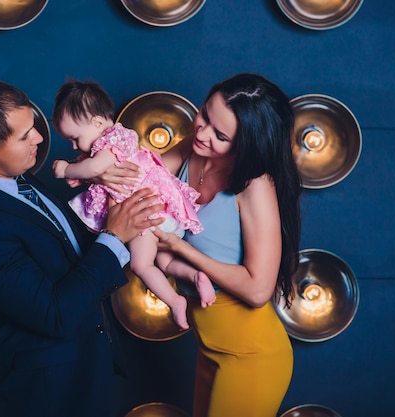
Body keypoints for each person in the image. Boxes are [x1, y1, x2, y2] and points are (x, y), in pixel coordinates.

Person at [0, 79, 165, 417]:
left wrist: (105, 187)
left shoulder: (18, 177)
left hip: (91, 370)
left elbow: (67, 253)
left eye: (34, 126)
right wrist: (115, 236)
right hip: (50, 395)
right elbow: (53, 313)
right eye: (24, 136)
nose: (39, 138)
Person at [153, 73, 302, 417]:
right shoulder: (189, 152)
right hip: (210, 348)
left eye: (221, 135)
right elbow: (142, 181)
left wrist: (181, 249)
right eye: (205, 114)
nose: (202, 133)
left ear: (246, 144)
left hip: (252, 355)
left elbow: (257, 290)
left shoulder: (255, 186)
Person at [50, 79, 216, 330]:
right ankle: (196, 276)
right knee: (165, 263)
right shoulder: (114, 140)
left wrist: (67, 169)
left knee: (140, 265)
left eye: (75, 139)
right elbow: (97, 171)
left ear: (97, 123)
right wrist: (82, 174)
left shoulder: (111, 141)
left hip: (148, 214)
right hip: (160, 215)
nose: (74, 147)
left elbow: (95, 167)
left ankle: (175, 301)